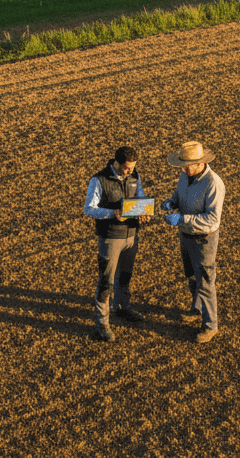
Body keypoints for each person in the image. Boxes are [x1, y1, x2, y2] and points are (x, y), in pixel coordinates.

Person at [83, 145, 151, 342]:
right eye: (127, 168)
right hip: (111, 237)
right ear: (117, 163)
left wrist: (143, 211)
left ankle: (122, 307)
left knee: (125, 275)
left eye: (132, 168)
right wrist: (111, 213)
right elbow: (89, 209)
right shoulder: (98, 180)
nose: (130, 171)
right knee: (106, 281)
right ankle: (102, 322)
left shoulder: (134, 177)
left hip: (131, 235)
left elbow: (140, 198)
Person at [162, 140, 225, 344]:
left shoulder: (213, 184)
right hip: (186, 234)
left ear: (200, 163)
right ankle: (197, 308)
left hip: (204, 240)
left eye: (187, 165)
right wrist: (172, 202)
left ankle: (210, 325)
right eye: (182, 165)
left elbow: (212, 220)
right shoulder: (185, 176)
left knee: (206, 281)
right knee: (191, 274)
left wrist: (182, 219)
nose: (184, 168)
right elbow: (180, 195)